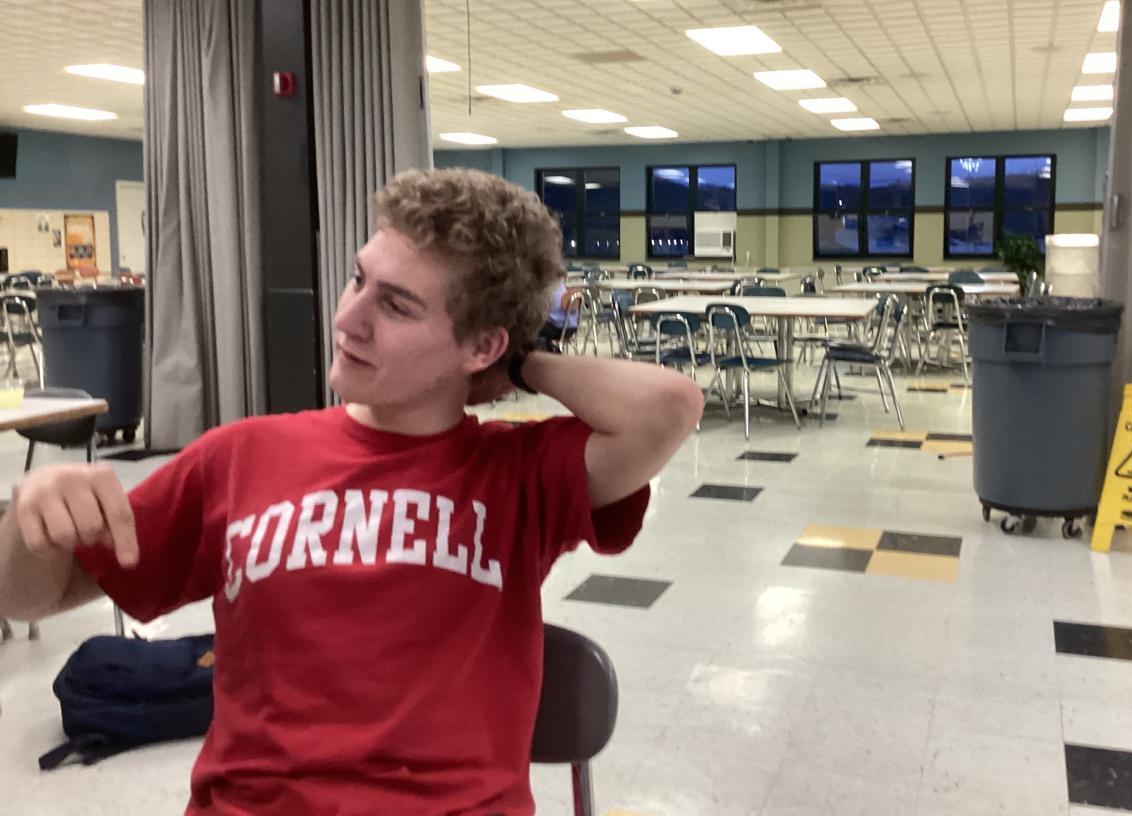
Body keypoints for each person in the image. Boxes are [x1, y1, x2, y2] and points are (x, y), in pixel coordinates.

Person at [0, 168, 704, 815]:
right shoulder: (239, 456)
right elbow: (27, 597)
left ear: (481, 346)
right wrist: (34, 515)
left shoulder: (519, 474)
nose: (347, 319)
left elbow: (669, 407)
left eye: (395, 306)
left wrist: (522, 365)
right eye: (356, 280)